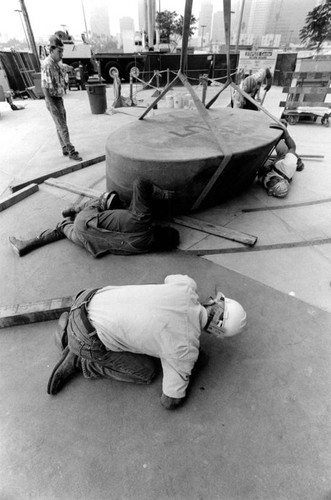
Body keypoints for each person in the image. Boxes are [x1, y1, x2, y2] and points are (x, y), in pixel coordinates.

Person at [47, 274, 247, 409]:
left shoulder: (186, 287)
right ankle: (80, 359)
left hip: (88, 297)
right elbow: (170, 400)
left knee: (144, 335)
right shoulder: (184, 350)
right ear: (217, 332)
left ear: (216, 302)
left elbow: (172, 278)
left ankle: (75, 333)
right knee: (146, 372)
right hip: (86, 337)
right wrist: (189, 368)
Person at [9, 178, 179, 257]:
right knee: (63, 226)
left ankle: (73, 209)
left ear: (159, 229)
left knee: (103, 200)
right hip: (88, 242)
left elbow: (140, 183)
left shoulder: (141, 221)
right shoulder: (141, 248)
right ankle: (27, 244)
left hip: (86, 221)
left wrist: (162, 194)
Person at [41, 35, 82, 161]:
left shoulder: (55, 63)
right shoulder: (48, 65)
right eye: (59, 51)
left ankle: (64, 147)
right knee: (62, 126)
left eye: (62, 51)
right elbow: (44, 86)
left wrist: (69, 68)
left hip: (58, 98)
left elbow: (61, 67)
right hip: (52, 99)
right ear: (52, 50)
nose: (61, 54)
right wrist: (50, 102)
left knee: (60, 125)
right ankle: (71, 151)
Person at [257, 124, 299, 198]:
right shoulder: (288, 165)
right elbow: (292, 147)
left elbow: (260, 175)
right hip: (283, 158)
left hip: (274, 166)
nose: (269, 183)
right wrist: (286, 135)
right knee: (276, 139)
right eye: (275, 181)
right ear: (280, 179)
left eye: (271, 186)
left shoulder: (268, 185)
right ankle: (281, 128)